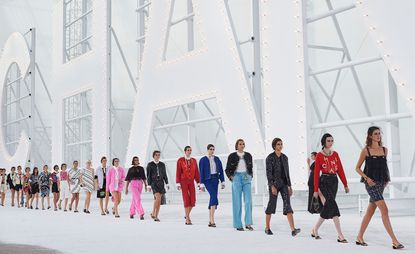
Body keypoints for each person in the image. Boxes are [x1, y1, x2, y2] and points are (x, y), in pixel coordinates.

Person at [355, 126, 404, 249]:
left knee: (370, 212)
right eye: (375, 134)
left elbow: (384, 167)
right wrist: (367, 179)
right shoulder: (366, 150)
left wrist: (387, 179)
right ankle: (394, 241)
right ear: (370, 136)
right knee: (384, 210)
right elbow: (357, 168)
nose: (378, 135)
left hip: (381, 183)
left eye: (379, 133)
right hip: (371, 184)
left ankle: (359, 237)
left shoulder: (384, 150)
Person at [312, 133, 349, 243]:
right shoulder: (319, 155)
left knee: (328, 206)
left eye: (332, 140)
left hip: (334, 181)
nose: (331, 142)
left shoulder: (335, 154)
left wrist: (345, 184)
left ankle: (315, 229)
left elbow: (340, 170)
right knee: (333, 206)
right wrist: (315, 190)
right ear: (324, 142)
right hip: (324, 181)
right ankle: (340, 235)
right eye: (328, 140)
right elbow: (316, 174)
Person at [264, 138, 300, 236]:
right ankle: (267, 228)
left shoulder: (285, 157)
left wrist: (289, 186)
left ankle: (293, 229)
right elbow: (268, 173)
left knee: (288, 205)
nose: (280, 146)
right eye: (278, 144)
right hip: (274, 184)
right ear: (274, 146)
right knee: (271, 205)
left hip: (284, 184)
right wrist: (272, 186)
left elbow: (287, 173)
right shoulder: (269, 158)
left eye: (281, 144)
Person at [225, 139, 254, 231]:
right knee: (237, 202)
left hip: (246, 178)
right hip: (236, 178)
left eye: (243, 144)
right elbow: (227, 169)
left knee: (248, 201)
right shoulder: (232, 156)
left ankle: (248, 223)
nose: (242, 145)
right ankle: (238, 224)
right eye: (240, 144)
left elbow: (251, 167)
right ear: (237, 146)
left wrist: (251, 176)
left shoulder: (248, 155)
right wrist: (231, 177)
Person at [199, 144, 225, 227]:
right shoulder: (203, 160)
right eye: (210, 149)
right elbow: (201, 172)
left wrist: (222, 181)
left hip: (215, 180)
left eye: (213, 149)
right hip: (207, 180)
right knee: (214, 197)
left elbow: (220, 170)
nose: (212, 150)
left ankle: (211, 220)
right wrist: (201, 184)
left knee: (212, 198)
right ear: (207, 150)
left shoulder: (217, 159)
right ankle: (212, 219)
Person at [176, 146, 201, 225]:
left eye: (190, 150)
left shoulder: (194, 160)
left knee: (193, 200)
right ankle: (187, 219)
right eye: (188, 150)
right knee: (186, 199)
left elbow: (196, 172)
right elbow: (178, 172)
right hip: (183, 181)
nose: (189, 151)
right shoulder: (180, 160)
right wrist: (178, 182)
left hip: (191, 182)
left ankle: (187, 215)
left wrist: (198, 182)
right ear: (185, 151)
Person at [146, 151, 169, 222]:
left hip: (161, 183)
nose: (158, 156)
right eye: (156, 155)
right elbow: (148, 175)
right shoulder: (150, 164)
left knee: (157, 200)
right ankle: (156, 216)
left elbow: (165, 174)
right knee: (158, 199)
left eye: (159, 155)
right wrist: (149, 185)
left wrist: (167, 183)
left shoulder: (162, 164)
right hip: (154, 183)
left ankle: (153, 213)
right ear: (153, 156)